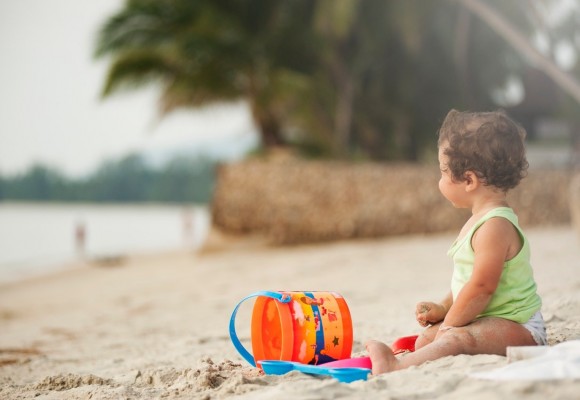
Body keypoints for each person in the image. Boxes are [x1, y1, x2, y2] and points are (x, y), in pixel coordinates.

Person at [366, 109, 547, 374]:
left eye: (442, 171)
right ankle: (423, 349)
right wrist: (443, 308)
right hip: (492, 318)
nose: (439, 179)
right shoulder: (480, 221)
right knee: (426, 339)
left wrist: (450, 325)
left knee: (455, 338)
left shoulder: (495, 226)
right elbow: (469, 281)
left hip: (521, 328)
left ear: (469, 180)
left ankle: (394, 366)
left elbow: (482, 287)